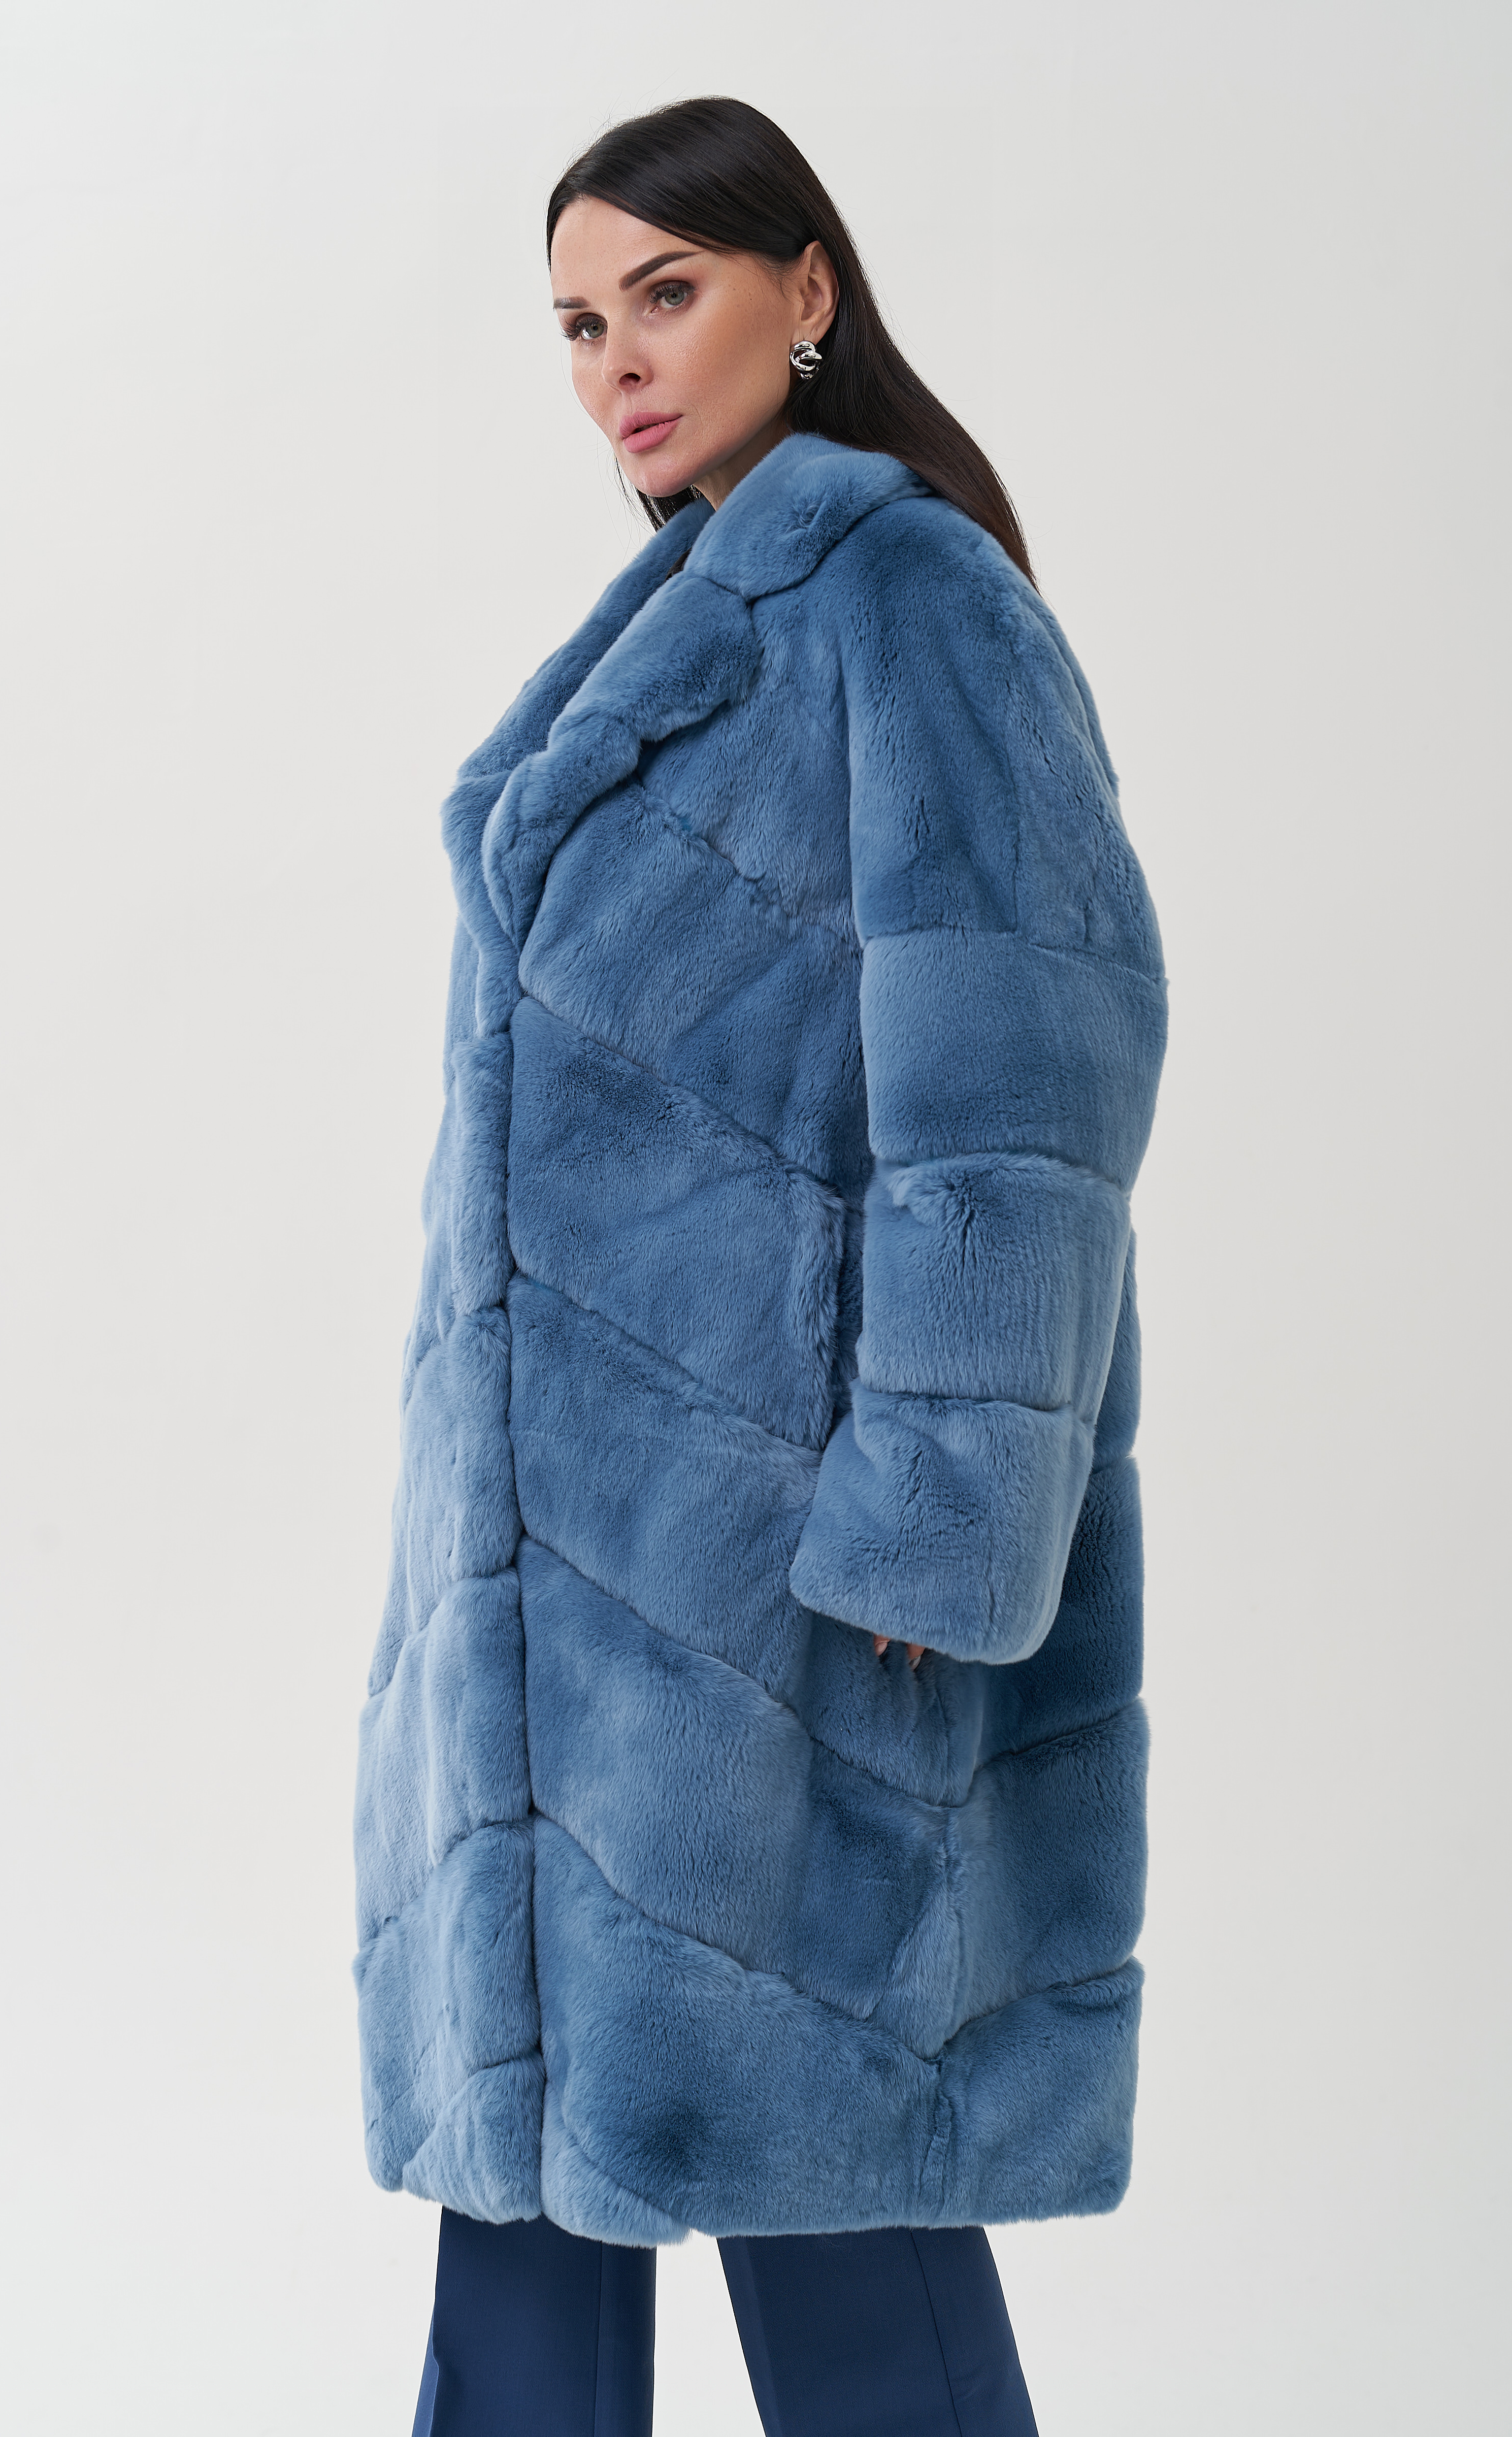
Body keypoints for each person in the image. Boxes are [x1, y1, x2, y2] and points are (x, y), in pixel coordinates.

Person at [352, 95, 1166, 2437]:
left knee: (840, 2226)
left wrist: (935, 1515)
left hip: (783, 1611)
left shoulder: (909, 605)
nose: (612, 363)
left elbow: (1024, 1087)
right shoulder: (679, 624)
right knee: (523, 2239)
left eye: (663, 294)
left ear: (807, 290)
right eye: (573, 324)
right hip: (555, 1642)